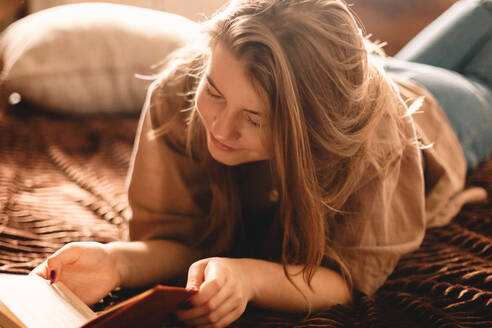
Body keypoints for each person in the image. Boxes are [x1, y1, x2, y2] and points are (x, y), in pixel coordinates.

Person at [33, 0, 492, 327]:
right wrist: (115, 263)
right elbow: (175, 237)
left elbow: (350, 277)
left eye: (254, 120)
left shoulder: (376, 137)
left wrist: (250, 277)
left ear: (317, 127)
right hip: (369, 76)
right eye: (214, 92)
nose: (220, 129)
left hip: (443, 114)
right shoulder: (178, 92)